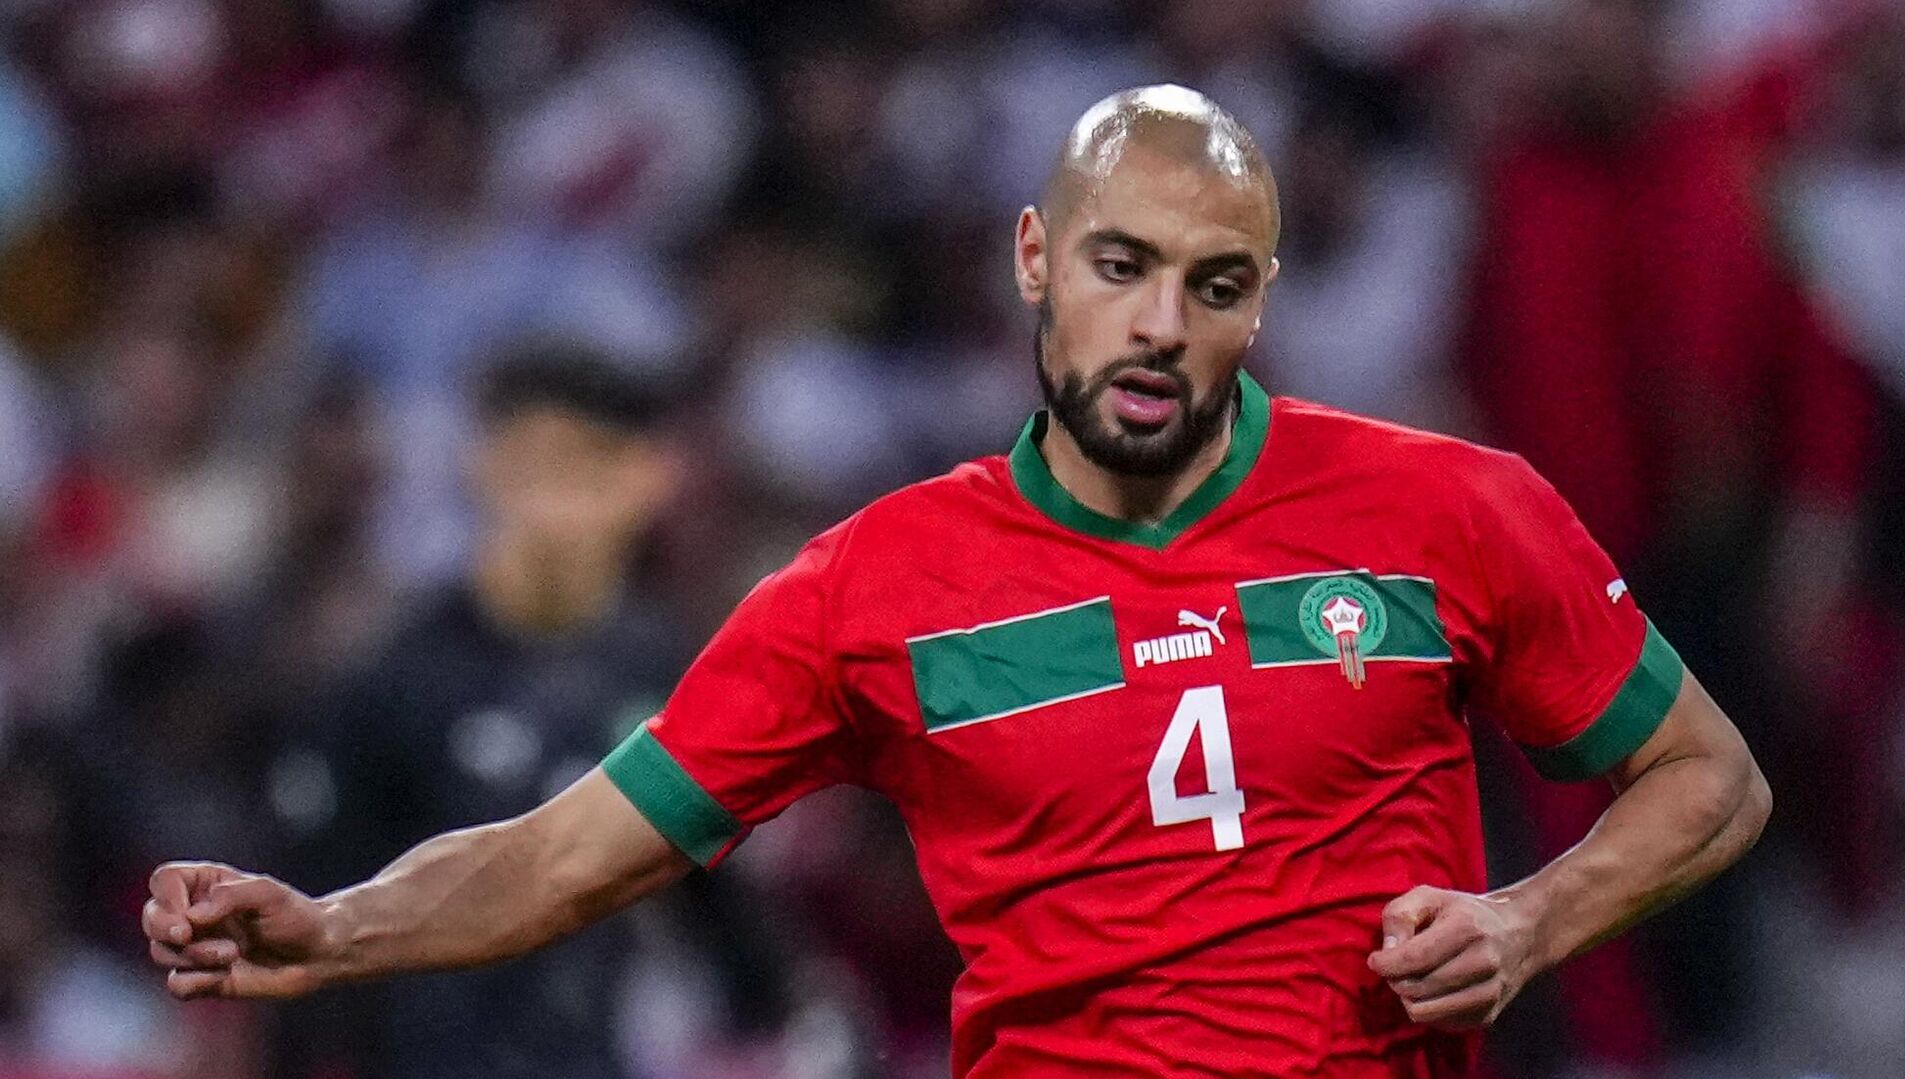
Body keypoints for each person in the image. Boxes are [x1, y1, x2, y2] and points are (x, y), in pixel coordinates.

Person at [143, 86, 1771, 1079]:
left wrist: (1530, 915)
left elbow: (1710, 775)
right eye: (1121, 266)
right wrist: (336, 926)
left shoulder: (1452, 509)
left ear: (1260, 300)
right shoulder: (870, 587)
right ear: (1035, 258)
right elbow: (568, 852)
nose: (1159, 325)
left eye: (1213, 284)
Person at [269, 343, 695, 1079]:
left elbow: (714, 891)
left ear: (648, 479)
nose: (558, 501)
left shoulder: (664, 671)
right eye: (538, 464)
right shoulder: (398, 678)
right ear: (482, 463)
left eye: (588, 465)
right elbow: (314, 901)